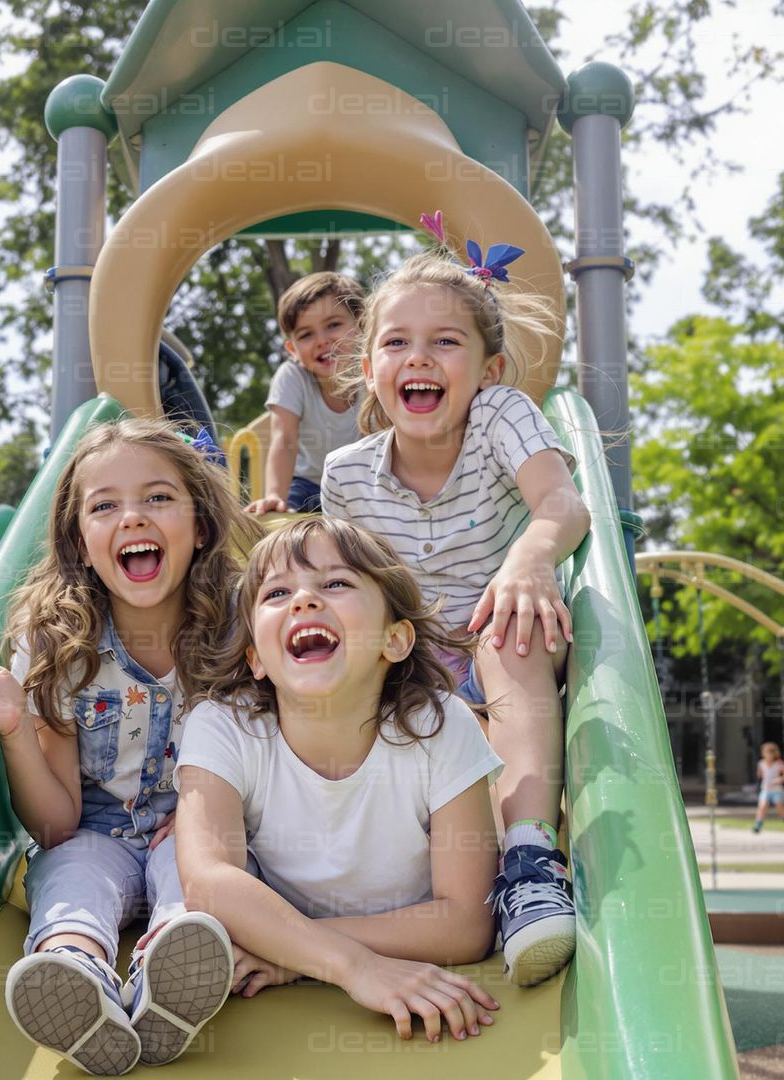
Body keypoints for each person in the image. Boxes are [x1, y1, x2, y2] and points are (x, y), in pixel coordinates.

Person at [0, 418, 260, 1076]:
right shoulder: (58, 644)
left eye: (158, 498)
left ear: (200, 526)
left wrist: (210, 818)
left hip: (202, 827)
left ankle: (171, 976)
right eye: (105, 506)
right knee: (75, 873)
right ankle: (75, 970)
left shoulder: (240, 628)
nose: (132, 516)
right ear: (81, 540)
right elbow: (57, 824)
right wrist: (18, 725)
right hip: (93, 832)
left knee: (197, 878)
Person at [320, 215, 589, 987]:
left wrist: (528, 563)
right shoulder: (347, 474)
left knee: (511, 633)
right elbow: (352, 589)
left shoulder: (502, 418)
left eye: (446, 342)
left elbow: (562, 506)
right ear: (370, 367)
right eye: (397, 342)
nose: (419, 357)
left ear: (487, 368)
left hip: (504, 630)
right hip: (415, 657)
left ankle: (532, 860)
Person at [177, 517, 505, 1044]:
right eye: (277, 592)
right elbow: (208, 882)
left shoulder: (440, 726)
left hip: (321, 950)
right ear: (256, 659)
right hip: (313, 965)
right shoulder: (223, 727)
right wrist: (353, 966)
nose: (304, 600)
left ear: (395, 639)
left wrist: (295, 954)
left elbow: (466, 923)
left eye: (336, 583)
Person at [244, 272, 366, 515]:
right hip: (311, 485)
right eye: (306, 334)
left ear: (362, 325)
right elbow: (285, 439)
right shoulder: (293, 377)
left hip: (363, 481)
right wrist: (275, 496)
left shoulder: (374, 373)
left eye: (333, 325)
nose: (322, 340)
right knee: (288, 517)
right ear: (293, 349)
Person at [752, 741, 784, 834]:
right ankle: (758, 825)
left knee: (780, 806)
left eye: (771, 753)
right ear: (763, 754)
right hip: (766, 789)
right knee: (762, 807)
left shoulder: (779, 763)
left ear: (774, 754)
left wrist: (780, 778)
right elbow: (759, 775)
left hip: (776, 789)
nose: (769, 755)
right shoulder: (761, 763)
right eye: (766, 753)